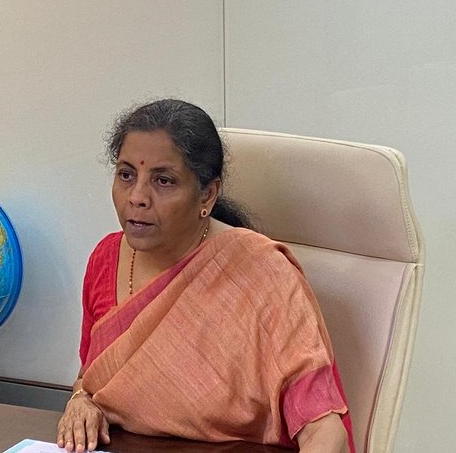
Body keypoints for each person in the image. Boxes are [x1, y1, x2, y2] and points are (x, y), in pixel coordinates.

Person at [56, 99, 354, 453]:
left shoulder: (263, 274)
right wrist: (80, 401)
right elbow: (90, 377)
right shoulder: (105, 260)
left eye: (163, 181)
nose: (137, 197)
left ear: (207, 195)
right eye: (126, 175)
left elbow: (324, 431)